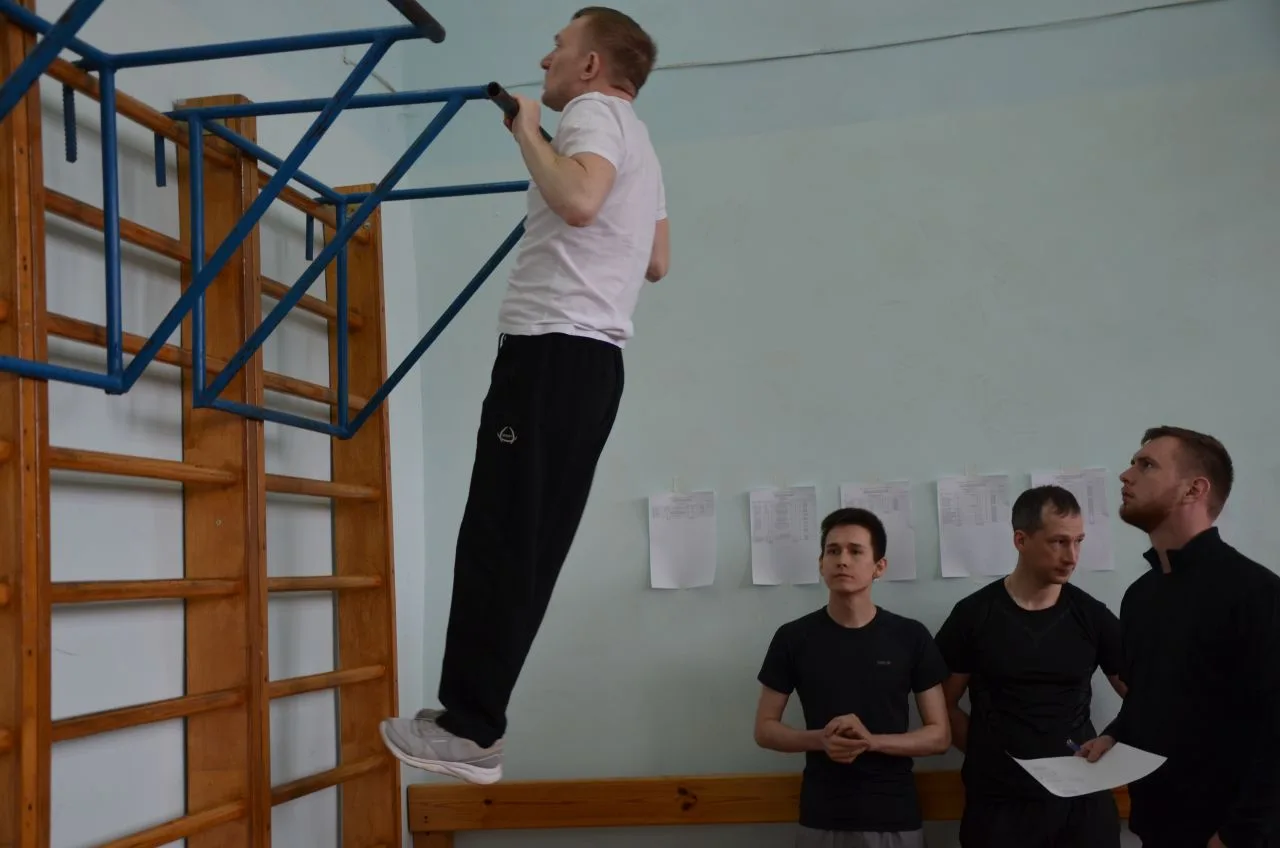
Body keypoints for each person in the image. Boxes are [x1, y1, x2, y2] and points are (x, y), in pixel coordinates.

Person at [378, 6, 669, 785]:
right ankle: (477, 720)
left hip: (549, 353)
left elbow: (579, 202)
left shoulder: (593, 116)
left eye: (559, 46)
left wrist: (528, 133)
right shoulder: (640, 139)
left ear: (592, 67)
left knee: (500, 535)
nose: (546, 59)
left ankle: (473, 727)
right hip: (592, 364)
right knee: (526, 540)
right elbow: (657, 258)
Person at [1077, 427, 1280, 848]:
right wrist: (1115, 733)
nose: (1125, 475)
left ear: (1194, 489)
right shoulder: (1141, 596)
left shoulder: (1257, 594)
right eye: (1133, 463)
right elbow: (1151, 698)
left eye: (1146, 465)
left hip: (1231, 835)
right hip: (1157, 827)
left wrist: (1237, 834)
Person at [933, 485, 1127, 848]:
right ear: (1021, 540)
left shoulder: (1092, 616)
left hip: (1081, 798)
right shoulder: (974, 615)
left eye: (1078, 541)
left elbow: (1143, 695)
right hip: (1000, 803)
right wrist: (987, 753)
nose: (1072, 556)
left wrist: (1112, 737)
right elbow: (941, 704)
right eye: (1058, 542)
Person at [755, 507, 951, 848]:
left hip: (894, 814)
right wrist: (822, 739)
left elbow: (939, 736)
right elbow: (765, 729)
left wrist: (871, 742)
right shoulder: (793, 638)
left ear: (879, 567)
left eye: (855, 551)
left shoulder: (910, 636)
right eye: (833, 551)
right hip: (821, 815)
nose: (842, 560)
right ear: (821, 564)